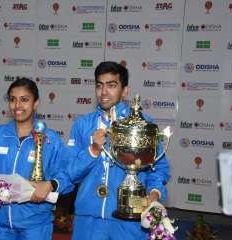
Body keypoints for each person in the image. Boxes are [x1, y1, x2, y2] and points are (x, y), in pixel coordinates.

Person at [66, 61, 170, 239]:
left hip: (130, 219)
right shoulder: (82, 125)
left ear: (125, 90)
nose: (104, 92)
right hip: (88, 219)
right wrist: (92, 150)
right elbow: (70, 173)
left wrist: (154, 194)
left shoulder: (143, 124)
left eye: (111, 85)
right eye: (99, 86)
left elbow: (159, 168)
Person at [0, 78, 70, 240]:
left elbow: (68, 178)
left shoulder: (51, 140)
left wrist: (50, 185)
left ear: (36, 103)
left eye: (24, 100)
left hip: (35, 227)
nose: (17, 105)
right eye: (12, 100)